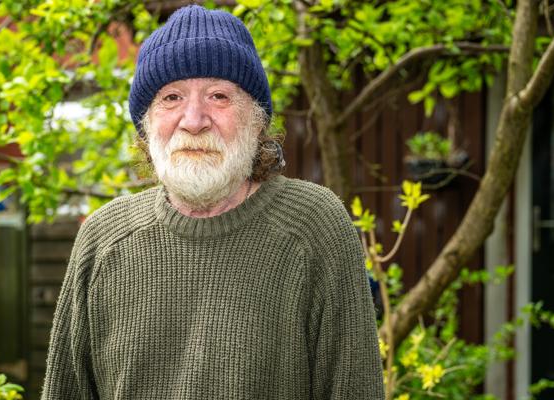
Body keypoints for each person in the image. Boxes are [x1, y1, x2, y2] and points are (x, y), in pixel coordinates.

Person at [41, 5, 384, 399]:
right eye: (171, 97)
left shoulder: (313, 226)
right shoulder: (104, 239)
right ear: (147, 124)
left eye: (218, 95)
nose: (193, 119)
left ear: (256, 120)